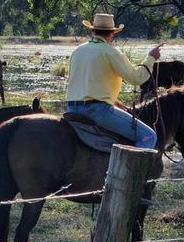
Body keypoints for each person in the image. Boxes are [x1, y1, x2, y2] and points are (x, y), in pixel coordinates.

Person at [66, 13, 164, 149]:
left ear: (93, 31)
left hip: (71, 109)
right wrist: (151, 58)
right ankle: (132, 171)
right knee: (148, 136)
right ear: (112, 34)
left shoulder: (77, 51)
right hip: (97, 111)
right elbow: (136, 78)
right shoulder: (110, 52)